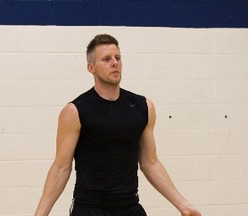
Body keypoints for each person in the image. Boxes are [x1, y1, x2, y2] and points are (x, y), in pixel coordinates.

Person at [35, 34, 201, 216]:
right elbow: (61, 167)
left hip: (129, 207)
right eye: (106, 59)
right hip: (90, 209)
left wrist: (183, 206)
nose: (114, 63)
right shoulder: (75, 111)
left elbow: (150, 162)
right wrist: (41, 214)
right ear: (91, 68)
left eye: (118, 58)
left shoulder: (143, 106)